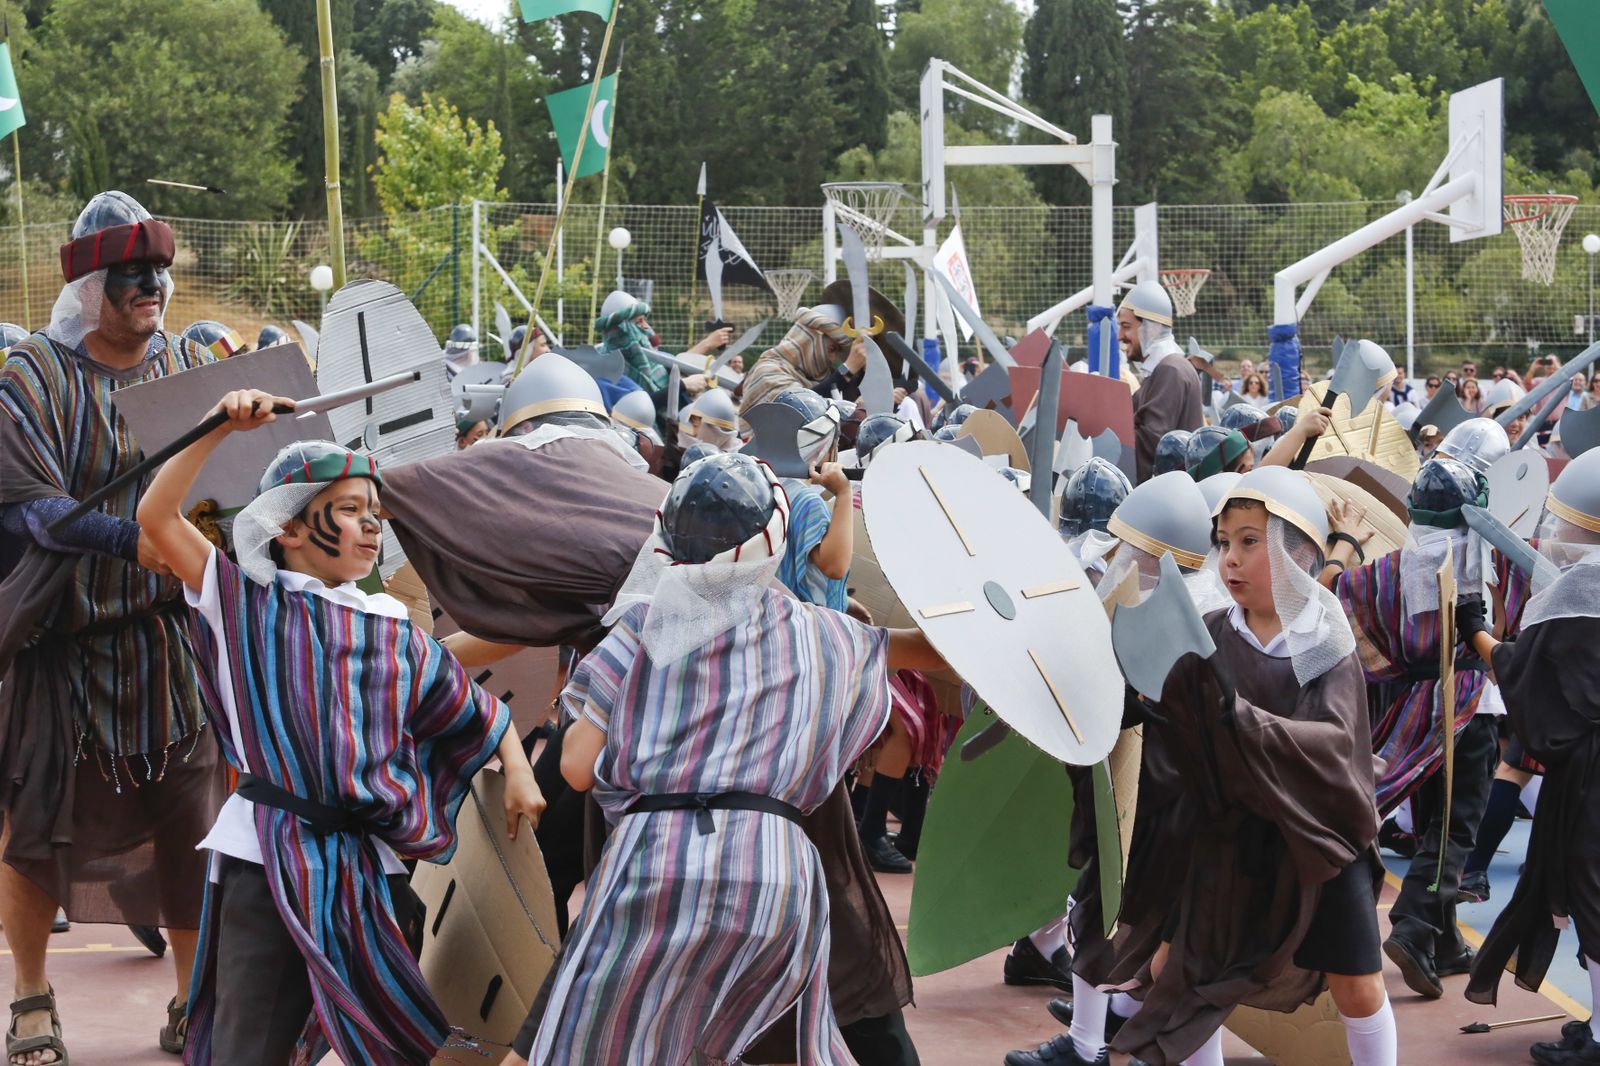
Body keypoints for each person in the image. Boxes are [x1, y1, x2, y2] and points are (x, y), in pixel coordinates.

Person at [136, 407, 541, 1066]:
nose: (372, 524)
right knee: (252, 1047)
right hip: (267, 860)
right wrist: (214, 426)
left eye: (374, 511)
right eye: (349, 509)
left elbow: (472, 709)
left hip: (366, 867)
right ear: (288, 525)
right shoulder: (244, 600)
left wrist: (518, 767)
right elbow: (158, 517)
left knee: (398, 1040)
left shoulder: (393, 630)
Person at [509, 453, 944, 1066]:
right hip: (777, 866)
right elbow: (934, 652)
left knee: (578, 1037)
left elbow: (577, 767)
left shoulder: (642, 624)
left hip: (653, 862)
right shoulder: (826, 631)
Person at [0, 190, 225, 1064]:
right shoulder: (31, 375)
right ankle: (29, 997)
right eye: (134, 271)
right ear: (92, 283)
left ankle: (189, 1000)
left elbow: (232, 488)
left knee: (191, 830)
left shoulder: (189, 365)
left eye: (160, 271)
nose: (153, 286)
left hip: (170, 647)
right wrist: (141, 544)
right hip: (65, 645)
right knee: (35, 832)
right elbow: (40, 515)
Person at [1102, 466, 1396, 1066]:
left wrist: (1238, 718)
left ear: (1300, 553)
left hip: (1317, 841)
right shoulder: (1209, 634)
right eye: (1224, 542)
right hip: (1229, 837)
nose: (1230, 559)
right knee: (1188, 974)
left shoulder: (1325, 642)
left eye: (1250, 541)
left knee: (1358, 987)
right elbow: (1166, 719)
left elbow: (1336, 746)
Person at [1005, 471, 1230, 1066]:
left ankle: (1097, 1037)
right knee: (1119, 914)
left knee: (1173, 936)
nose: (1122, 559)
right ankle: (1096, 1034)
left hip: (1171, 798)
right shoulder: (1172, 603)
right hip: (1143, 784)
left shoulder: (1211, 619)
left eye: (1134, 550)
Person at [1329, 457, 1498, 998]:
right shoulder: (1482, 563)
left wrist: (1342, 544)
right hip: (1469, 707)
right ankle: (1413, 920)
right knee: (1455, 828)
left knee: (1434, 827)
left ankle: (1443, 943)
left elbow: (1332, 592)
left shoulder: (1389, 569)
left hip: (1409, 714)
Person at [1463, 449, 1600, 1066]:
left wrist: (1479, 636)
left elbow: (1528, 673)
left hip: (1593, 776)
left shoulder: (1582, 591)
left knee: (1593, 898)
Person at [1118, 281, 1203, 482]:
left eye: (1126, 327)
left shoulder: (1170, 370)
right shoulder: (1163, 370)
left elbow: (1153, 444)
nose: (1120, 335)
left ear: (1152, 329)